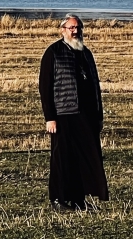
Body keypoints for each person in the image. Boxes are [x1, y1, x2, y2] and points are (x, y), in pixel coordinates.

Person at [39, 14, 109, 211]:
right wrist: (50, 117)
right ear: (63, 30)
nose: (76, 31)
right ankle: (58, 200)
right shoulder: (53, 52)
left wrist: (99, 116)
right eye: (71, 28)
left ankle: (79, 200)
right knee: (61, 158)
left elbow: (95, 86)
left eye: (78, 28)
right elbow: (45, 87)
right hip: (63, 114)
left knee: (84, 156)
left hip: (85, 114)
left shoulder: (86, 53)